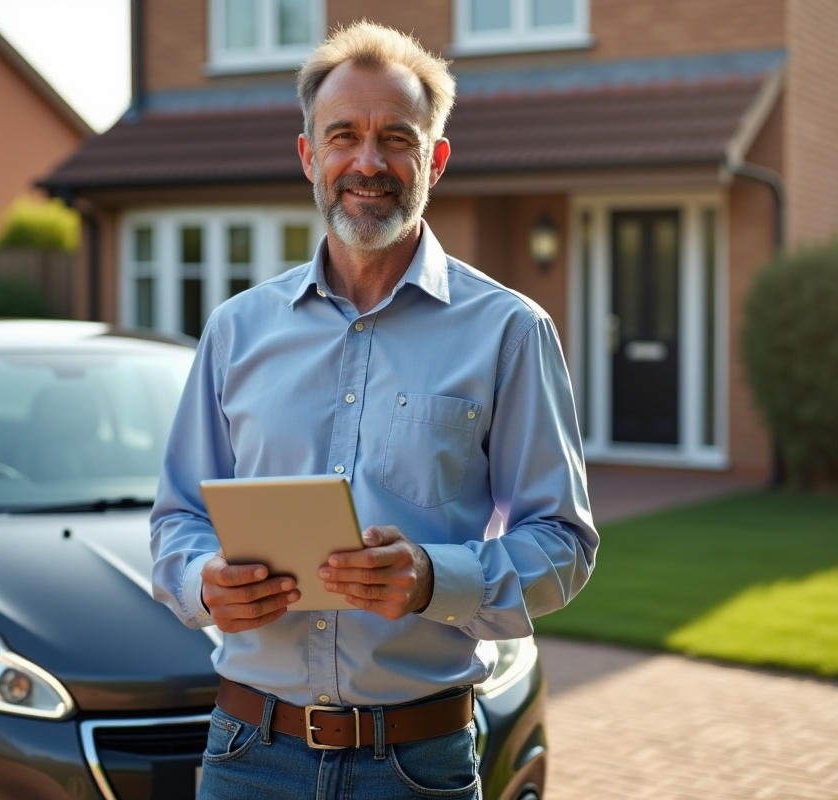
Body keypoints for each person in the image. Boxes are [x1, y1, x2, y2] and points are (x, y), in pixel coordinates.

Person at [151, 20, 598, 800]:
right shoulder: (236, 330)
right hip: (246, 755)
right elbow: (176, 521)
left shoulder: (510, 332)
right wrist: (200, 582)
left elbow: (563, 546)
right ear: (308, 156)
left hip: (416, 765)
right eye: (343, 136)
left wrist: (435, 578)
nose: (368, 162)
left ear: (436, 158)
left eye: (396, 137)